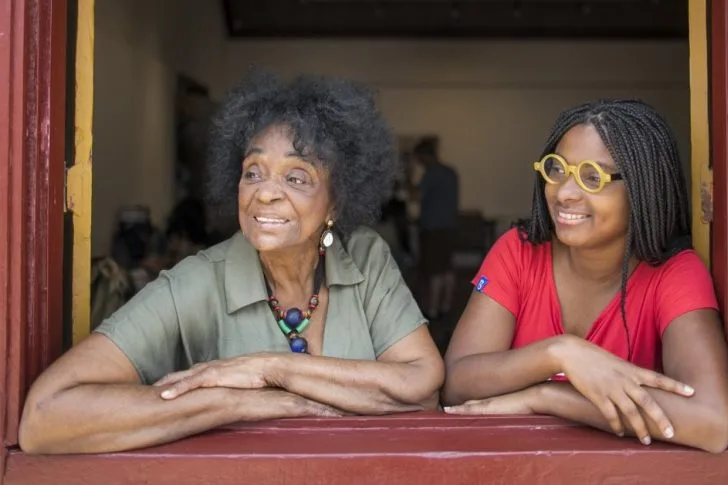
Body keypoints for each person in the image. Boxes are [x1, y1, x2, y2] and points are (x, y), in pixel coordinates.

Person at [19, 70, 444, 454]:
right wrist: (233, 401)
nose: (265, 192)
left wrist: (268, 369)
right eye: (253, 172)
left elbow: (423, 389)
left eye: (296, 177)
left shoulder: (364, 257)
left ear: (337, 200)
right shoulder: (198, 281)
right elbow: (45, 417)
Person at [441, 100, 728, 453]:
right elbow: (457, 382)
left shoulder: (674, 275)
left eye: (593, 177)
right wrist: (561, 352)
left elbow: (711, 422)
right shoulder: (518, 253)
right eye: (557, 169)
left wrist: (548, 397)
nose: (565, 192)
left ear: (643, 189)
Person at [414, 137, 460, 320]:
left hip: (433, 229)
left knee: (434, 270)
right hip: (450, 226)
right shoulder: (451, 173)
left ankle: (432, 310)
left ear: (424, 157)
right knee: (447, 268)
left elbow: (417, 196)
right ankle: (446, 306)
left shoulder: (431, 174)